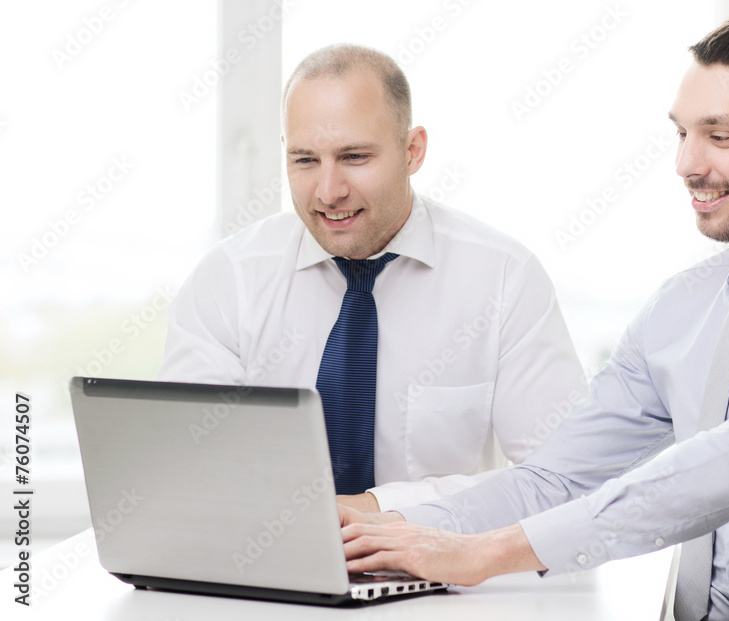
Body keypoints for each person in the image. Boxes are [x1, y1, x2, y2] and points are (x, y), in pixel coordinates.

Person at [338, 10, 729, 621]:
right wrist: (383, 531)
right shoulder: (682, 305)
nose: (687, 165)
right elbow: (556, 480)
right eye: (682, 134)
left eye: (720, 137)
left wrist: (485, 554)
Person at [157, 44, 587, 512]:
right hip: (260, 552)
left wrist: (379, 510)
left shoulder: (505, 279)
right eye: (305, 160)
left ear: (412, 151)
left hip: (441, 558)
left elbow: (563, 479)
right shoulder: (228, 281)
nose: (328, 192)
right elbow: (186, 470)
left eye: (355, 157)